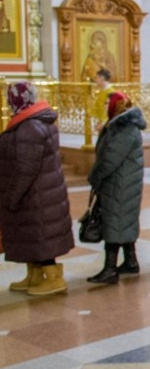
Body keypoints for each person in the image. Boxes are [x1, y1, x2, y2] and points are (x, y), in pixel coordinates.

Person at [0, 81, 75, 295]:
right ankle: (34, 275)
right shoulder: (32, 122)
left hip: (35, 196)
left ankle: (53, 278)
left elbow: (26, 169)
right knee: (32, 236)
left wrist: (12, 197)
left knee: (40, 235)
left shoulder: (29, 127)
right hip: (38, 193)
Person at [86, 91, 147, 284]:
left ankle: (110, 269)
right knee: (123, 222)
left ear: (116, 105)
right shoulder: (119, 125)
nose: (105, 106)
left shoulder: (124, 128)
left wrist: (95, 176)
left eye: (107, 103)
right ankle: (130, 261)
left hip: (121, 183)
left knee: (115, 223)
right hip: (122, 182)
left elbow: (110, 159)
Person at [87, 69, 117, 133]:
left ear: (102, 78)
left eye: (97, 77)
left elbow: (110, 110)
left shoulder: (110, 92)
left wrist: (103, 124)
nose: (95, 80)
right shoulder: (102, 90)